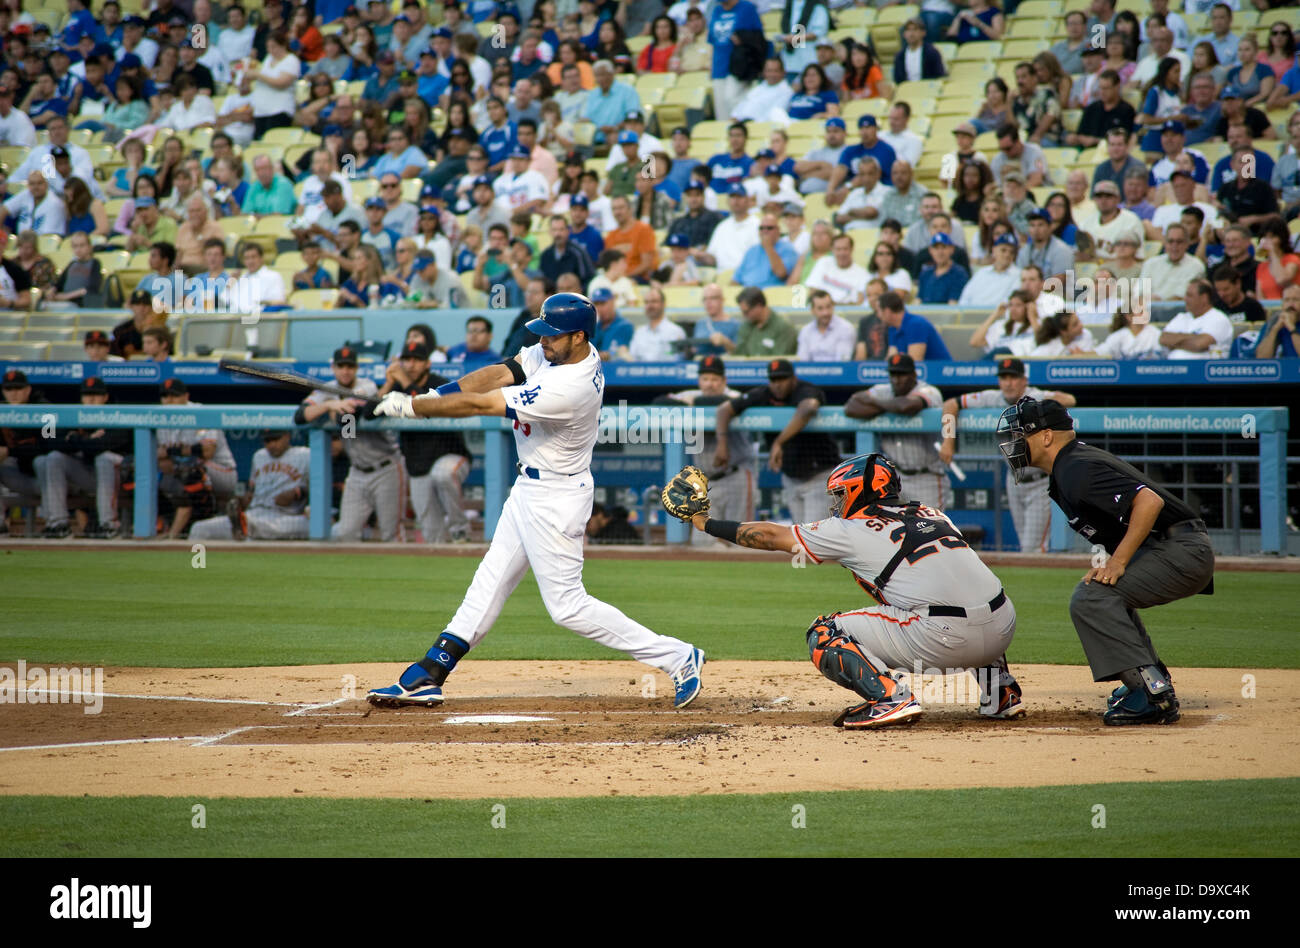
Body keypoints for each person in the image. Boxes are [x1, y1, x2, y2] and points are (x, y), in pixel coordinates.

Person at [367, 293, 706, 708]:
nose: (543, 341)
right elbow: (496, 374)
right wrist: (435, 393)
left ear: (579, 336)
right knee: (489, 582)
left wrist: (415, 408)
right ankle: (430, 672)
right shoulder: (557, 353)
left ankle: (678, 656)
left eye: (553, 334)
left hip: (557, 496)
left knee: (567, 607)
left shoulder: (571, 385)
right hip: (528, 488)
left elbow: (481, 404)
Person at [671, 449, 1023, 728]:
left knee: (824, 633)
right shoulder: (933, 513)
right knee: (970, 596)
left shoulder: (850, 528)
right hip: (1003, 627)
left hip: (945, 639)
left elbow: (771, 536)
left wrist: (705, 523)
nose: (836, 502)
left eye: (840, 493)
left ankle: (889, 699)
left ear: (859, 490)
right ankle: (1000, 692)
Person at [995, 397, 1214, 726]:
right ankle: (1151, 679)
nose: (1013, 444)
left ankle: (1152, 695)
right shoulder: (1071, 464)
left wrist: (1119, 561)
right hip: (1175, 546)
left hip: (1181, 548)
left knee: (1091, 598)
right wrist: (1115, 562)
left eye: (1019, 435)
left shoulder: (1075, 467)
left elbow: (1148, 501)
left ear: (1046, 436)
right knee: (1099, 591)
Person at [940, 359, 1075, 553]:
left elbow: (1069, 399)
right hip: (1014, 481)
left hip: (1040, 482)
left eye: (1014, 377)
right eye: (1004, 378)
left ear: (1024, 380)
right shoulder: (991, 398)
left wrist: (1037, 408)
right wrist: (948, 440)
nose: (1008, 383)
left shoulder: (1035, 396)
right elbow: (951, 404)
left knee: (1032, 549)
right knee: (1025, 546)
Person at [714, 357, 842, 525]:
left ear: (793, 379)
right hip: (791, 477)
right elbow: (724, 410)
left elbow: (808, 407)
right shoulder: (764, 394)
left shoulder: (804, 389)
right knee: (799, 539)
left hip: (820, 475)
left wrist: (778, 442)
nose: (777, 384)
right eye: (773, 379)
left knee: (814, 539)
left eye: (782, 379)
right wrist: (722, 444)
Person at [296, 346, 403, 542]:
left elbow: (348, 422)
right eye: (341, 366)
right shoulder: (326, 390)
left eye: (350, 366)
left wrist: (334, 410)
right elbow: (300, 416)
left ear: (356, 368)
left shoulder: (367, 386)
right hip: (356, 471)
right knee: (346, 533)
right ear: (333, 367)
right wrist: (329, 405)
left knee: (391, 535)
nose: (345, 371)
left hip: (386, 467)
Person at [380, 340, 473, 543]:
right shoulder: (396, 386)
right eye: (406, 360)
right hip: (417, 465)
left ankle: (460, 529)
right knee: (432, 535)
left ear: (427, 363)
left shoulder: (439, 383)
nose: (411, 364)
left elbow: (422, 404)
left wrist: (403, 382)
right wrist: (388, 384)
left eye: (417, 360)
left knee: (443, 473)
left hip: (450, 455)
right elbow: (369, 414)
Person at [37, 377, 130, 540]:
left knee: (104, 458)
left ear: (105, 397)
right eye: (87, 395)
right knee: (53, 458)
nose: (91, 399)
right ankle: (59, 524)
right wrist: (87, 439)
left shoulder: (118, 415)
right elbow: (50, 442)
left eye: (96, 395)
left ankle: (108, 525)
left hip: (117, 479)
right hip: (85, 476)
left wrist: (75, 438)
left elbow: (101, 446)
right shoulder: (73, 415)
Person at [191, 431, 311, 541]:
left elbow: (320, 488)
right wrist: (243, 501)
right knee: (199, 528)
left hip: (286, 516)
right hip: (254, 513)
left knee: (255, 527)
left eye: (275, 439)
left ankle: (242, 528)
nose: (271, 445)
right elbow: (252, 492)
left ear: (287, 436)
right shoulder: (259, 456)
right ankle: (197, 564)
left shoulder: (305, 455)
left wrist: (298, 492)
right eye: (267, 441)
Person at [1160, 279, 1234, 358]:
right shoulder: (1181, 317)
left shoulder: (1219, 319)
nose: (1185, 299)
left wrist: (1175, 341)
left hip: (1202, 367)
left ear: (1204, 298)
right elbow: (1163, 339)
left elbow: (1199, 345)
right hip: (1175, 367)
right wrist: (1195, 337)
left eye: (1189, 295)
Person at [878, 290, 952, 361]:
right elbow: (891, 359)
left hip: (938, 372)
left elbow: (915, 362)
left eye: (879, 311)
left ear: (887, 312)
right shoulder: (893, 328)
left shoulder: (916, 324)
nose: (878, 315)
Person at [628, 285, 685, 361]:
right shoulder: (639, 332)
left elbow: (678, 361)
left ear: (664, 304)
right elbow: (632, 359)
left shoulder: (676, 332)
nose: (650, 305)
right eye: (646, 302)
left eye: (654, 301)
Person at [1252, 283, 1300, 358]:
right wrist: (1275, 329)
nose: (1290, 305)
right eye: (1287, 300)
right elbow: (1261, 358)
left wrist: (1292, 328)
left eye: (1295, 300)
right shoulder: (1274, 320)